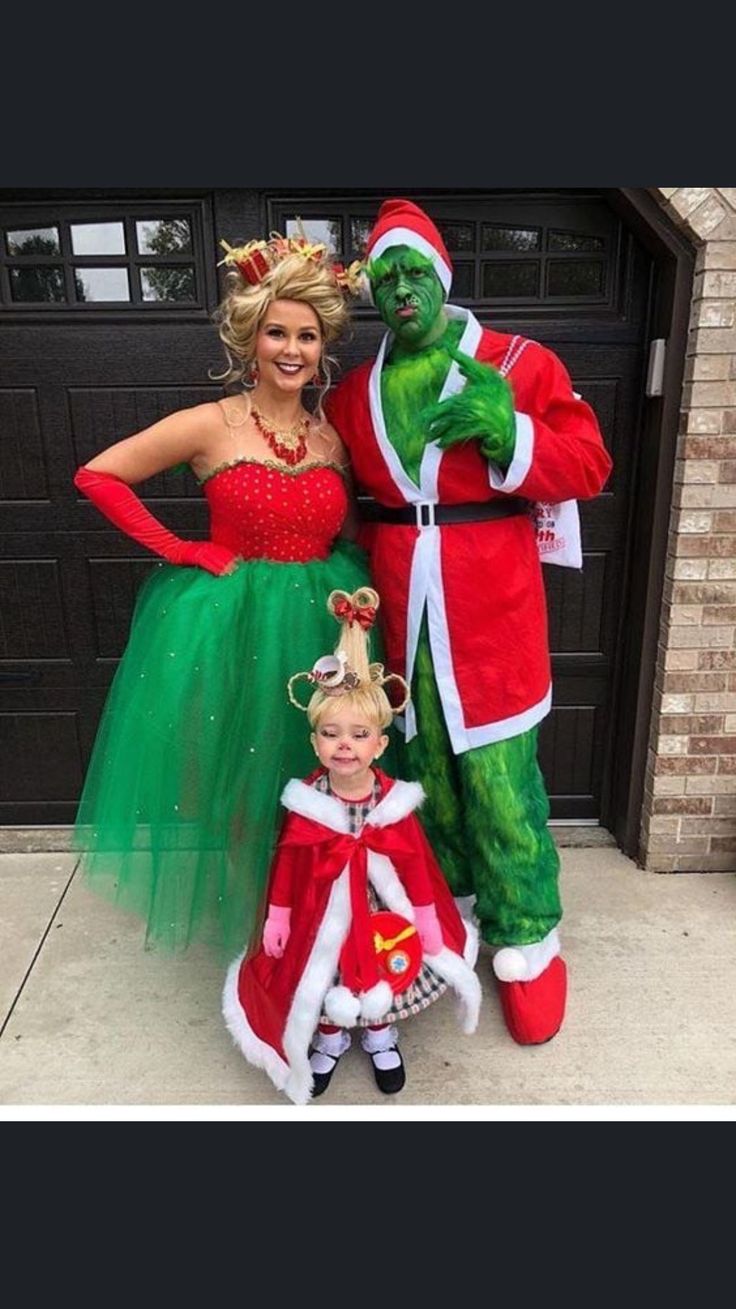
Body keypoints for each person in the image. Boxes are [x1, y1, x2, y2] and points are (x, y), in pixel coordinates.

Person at [325, 199, 613, 1046]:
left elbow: (589, 462)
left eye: (415, 271)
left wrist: (509, 433)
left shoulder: (518, 362)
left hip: (491, 609)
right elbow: (336, 499)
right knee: (420, 767)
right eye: (386, 278)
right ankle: (444, 912)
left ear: (444, 275)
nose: (402, 290)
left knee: (498, 776)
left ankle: (527, 933)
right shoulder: (353, 393)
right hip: (394, 609)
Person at [72, 231, 378, 957]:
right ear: (252, 336)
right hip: (234, 621)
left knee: (321, 769)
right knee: (244, 779)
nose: (292, 348)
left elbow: (349, 532)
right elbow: (99, 476)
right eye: (277, 331)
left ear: (323, 345)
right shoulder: (211, 424)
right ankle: (261, 928)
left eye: (306, 334)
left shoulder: (331, 439)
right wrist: (181, 549)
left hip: (320, 621)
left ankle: (316, 914)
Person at [222, 587, 481, 1105]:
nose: (345, 745)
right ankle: (332, 1037)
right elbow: (290, 864)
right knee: (325, 966)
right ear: (315, 741)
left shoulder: (394, 803)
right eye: (332, 733)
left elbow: (415, 866)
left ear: (380, 744)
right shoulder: (307, 803)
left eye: (359, 734)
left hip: (383, 910)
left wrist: (427, 917)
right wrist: (278, 916)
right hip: (322, 910)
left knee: (386, 963)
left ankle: (381, 1035)